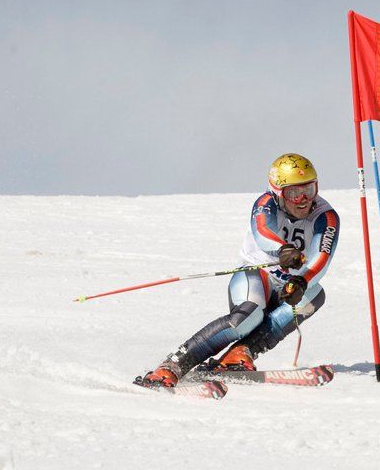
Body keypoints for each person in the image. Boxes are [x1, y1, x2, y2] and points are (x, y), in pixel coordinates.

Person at [141, 153, 340, 387]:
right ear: (278, 193)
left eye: (309, 189)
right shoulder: (265, 203)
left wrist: (302, 281)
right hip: (257, 274)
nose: (303, 200)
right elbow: (262, 231)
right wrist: (282, 250)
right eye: (293, 194)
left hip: (289, 283)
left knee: (315, 295)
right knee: (248, 315)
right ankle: (172, 365)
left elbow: (322, 256)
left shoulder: (326, 217)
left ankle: (240, 353)